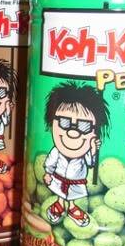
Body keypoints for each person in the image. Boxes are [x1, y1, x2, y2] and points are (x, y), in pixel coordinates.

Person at [43, 82, 110, 227]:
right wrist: (48, 173)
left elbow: (91, 163)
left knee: (72, 196)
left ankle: (72, 208)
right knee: (60, 195)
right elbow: (50, 162)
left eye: (84, 126)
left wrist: (93, 149)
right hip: (59, 179)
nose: (73, 132)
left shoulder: (84, 153)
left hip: (75, 183)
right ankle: (60, 204)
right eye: (64, 122)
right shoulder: (56, 151)